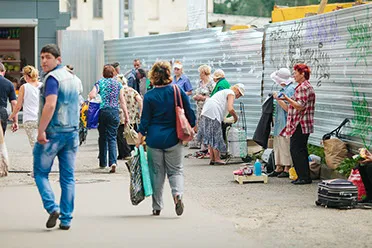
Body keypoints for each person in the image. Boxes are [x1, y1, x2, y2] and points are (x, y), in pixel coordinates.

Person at [136, 61, 196, 216]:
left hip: (154, 140)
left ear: (153, 76)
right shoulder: (177, 90)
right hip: (173, 138)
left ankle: (157, 207)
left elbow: (145, 120)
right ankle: (177, 195)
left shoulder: (149, 96)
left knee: (156, 173)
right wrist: (193, 127)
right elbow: (189, 111)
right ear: (169, 74)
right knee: (176, 170)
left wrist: (139, 136)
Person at [33, 44, 82, 230]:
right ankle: (66, 219)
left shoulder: (52, 79)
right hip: (72, 133)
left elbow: (50, 105)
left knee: (40, 173)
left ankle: (52, 207)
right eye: (42, 57)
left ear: (58, 59)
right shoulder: (74, 79)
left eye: (47, 57)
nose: (43, 61)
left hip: (53, 132)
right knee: (68, 177)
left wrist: (41, 130)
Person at [89, 65, 129, 173]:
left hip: (103, 112)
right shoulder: (118, 85)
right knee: (112, 137)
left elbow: (92, 94)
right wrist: (126, 116)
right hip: (114, 112)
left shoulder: (100, 83)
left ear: (103, 73)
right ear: (114, 74)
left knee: (102, 137)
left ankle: (102, 162)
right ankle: (113, 162)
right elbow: (122, 101)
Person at [280, 64, 315, 185]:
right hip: (301, 123)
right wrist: (285, 100)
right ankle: (303, 175)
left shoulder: (304, 87)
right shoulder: (302, 87)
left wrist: (287, 99)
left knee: (296, 149)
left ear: (302, 74)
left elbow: (300, 106)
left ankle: (303, 177)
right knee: (301, 149)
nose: (294, 75)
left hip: (301, 123)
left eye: (296, 73)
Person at [197, 84, 245, 165]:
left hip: (206, 111)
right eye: (240, 93)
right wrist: (236, 117)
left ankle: (212, 159)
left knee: (211, 136)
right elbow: (230, 108)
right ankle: (217, 159)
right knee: (216, 135)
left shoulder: (224, 92)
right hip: (213, 112)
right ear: (236, 89)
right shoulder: (231, 93)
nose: (239, 96)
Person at [269, 68, 296, 178]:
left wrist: (278, 99)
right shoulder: (283, 89)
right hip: (279, 123)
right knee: (278, 145)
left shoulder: (290, 90)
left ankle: (287, 167)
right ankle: (278, 166)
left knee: (285, 145)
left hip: (286, 123)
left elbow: (288, 108)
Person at [9, 65, 42, 149]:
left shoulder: (24, 87)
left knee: (35, 146)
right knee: (43, 144)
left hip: (29, 119)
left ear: (26, 76)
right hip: (42, 118)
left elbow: (18, 106)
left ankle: (39, 161)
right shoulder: (42, 85)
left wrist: (12, 116)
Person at [117, 76, 143, 160]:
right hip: (132, 116)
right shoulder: (132, 90)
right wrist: (140, 112)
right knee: (132, 133)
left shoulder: (118, 91)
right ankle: (132, 150)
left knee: (121, 135)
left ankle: (124, 153)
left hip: (121, 116)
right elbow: (139, 100)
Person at [191, 65, 214, 150]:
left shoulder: (211, 83)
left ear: (204, 72)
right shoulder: (200, 82)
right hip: (199, 108)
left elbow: (213, 96)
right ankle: (203, 147)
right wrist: (195, 97)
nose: (199, 75)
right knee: (201, 126)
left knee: (208, 126)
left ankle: (209, 147)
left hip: (207, 108)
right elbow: (197, 92)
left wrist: (203, 98)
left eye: (200, 73)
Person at [0, 62, 18, 135]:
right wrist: (15, 121)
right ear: (4, 71)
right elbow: (14, 103)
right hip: (2, 112)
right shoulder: (9, 84)